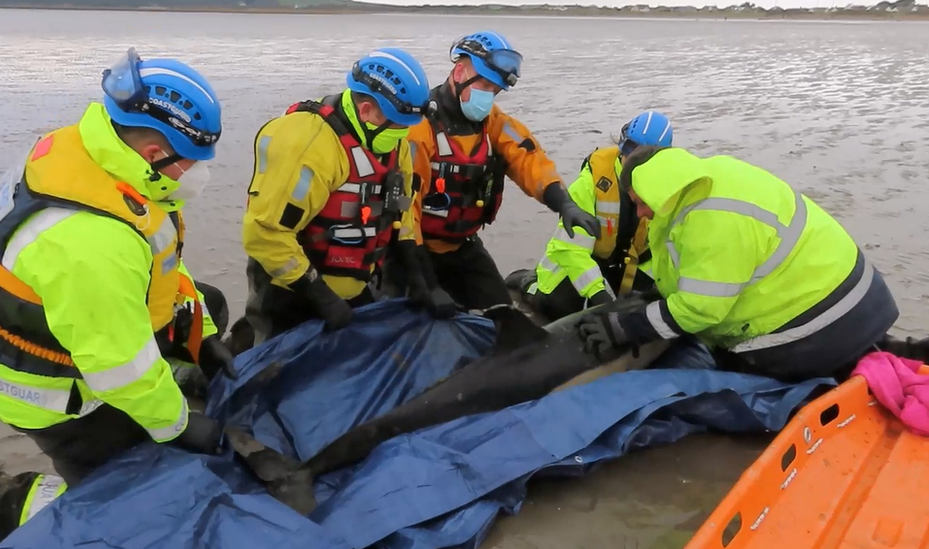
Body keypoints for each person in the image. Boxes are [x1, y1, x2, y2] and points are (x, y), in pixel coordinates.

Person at [0, 48, 247, 542]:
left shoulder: (89, 156)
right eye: (193, 163)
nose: (198, 175)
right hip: (51, 391)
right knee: (116, 507)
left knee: (209, 302)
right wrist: (178, 426)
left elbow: (161, 262)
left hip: (74, 329)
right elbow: (118, 367)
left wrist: (205, 336)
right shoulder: (91, 242)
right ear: (156, 153)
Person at [576, 145, 900, 383]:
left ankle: (826, 372)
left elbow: (701, 309)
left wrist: (626, 328)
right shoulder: (708, 176)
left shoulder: (709, 219)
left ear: (659, 188)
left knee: (728, 382)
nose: (642, 213)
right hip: (857, 297)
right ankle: (874, 351)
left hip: (822, 319)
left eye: (641, 202)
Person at [240, 48, 455, 350]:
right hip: (291, 290)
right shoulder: (308, 144)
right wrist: (320, 295)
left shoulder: (395, 142)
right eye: (397, 125)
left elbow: (401, 209)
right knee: (278, 377)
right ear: (366, 110)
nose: (404, 135)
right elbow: (265, 233)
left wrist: (418, 275)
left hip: (357, 283)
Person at [380, 30, 601, 311]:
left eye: (495, 90)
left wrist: (564, 203)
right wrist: (428, 285)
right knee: (412, 321)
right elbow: (405, 212)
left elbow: (528, 158)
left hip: (462, 247)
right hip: (413, 250)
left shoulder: (492, 123)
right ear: (459, 72)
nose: (489, 96)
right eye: (484, 85)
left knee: (503, 315)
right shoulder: (419, 129)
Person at [506, 111, 674, 322]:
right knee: (559, 308)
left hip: (627, 264)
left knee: (651, 307)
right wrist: (600, 296)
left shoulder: (669, 186)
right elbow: (571, 249)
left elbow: (666, 248)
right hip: (583, 259)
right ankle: (528, 282)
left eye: (643, 154)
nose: (630, 158)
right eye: (629, 148)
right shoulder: (593, 180)